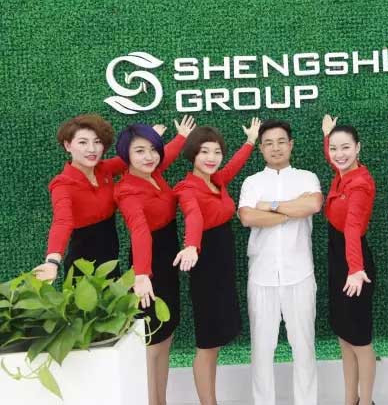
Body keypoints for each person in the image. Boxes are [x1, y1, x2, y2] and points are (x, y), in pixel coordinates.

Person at [173, 118, 260, 405]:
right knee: (207, 343)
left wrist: (250, 141)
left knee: (216, 341)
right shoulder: (186, 187)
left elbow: (233, 166)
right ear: (192, 154)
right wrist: (191, 245)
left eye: (217, 152)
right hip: (205, 267)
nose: (211, 158)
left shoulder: (217, 181)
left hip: (223, 268)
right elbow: (193, 216)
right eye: (204, 152)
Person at [237, 119, 323, 405]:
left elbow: (313, 205)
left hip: (300, 274)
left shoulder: (307, 178)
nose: (275, 148)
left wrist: (269, 207)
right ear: (261, 148)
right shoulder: (252, 182)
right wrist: (290, 210)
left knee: (304, 348)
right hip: (261, 276)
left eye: (281, 142)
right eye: (269, 143)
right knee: (262, 351)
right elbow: (247, 217)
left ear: (291, 144)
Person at [114, 116, 196, 405]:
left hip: (166, 263)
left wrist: (181, 137)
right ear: (125, 155)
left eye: (152, 149)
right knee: (152, 344)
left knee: (166, 337)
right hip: (148, 270)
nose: (149, 156)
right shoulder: (126, 189)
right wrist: (142, 274)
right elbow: (139, 231)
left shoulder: (155, 172)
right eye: (139, 151)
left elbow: (166, 154)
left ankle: (160, 400)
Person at [33, 114, 135, 281]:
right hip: (82, 267)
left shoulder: (104, 169)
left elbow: (138, 159)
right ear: (68, 145)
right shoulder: (63, 184)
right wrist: (52, 261)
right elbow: (62, 221)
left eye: (97, 142)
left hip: (110, 261)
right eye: (83, 142)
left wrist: (156, 139)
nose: (91, 149)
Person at [322, 115, 377, 405]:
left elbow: (353, 227)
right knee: (345, 337)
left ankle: (365, 402)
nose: (338, 154)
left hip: (354, 266)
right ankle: (350, 400)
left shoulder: (359, 184)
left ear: (358, 148)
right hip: (339, 261)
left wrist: (355, 269)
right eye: (334, 148)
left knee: (360, 340)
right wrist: (327, 135)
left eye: (346, 148)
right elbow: (335, 159)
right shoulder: (344, 174)